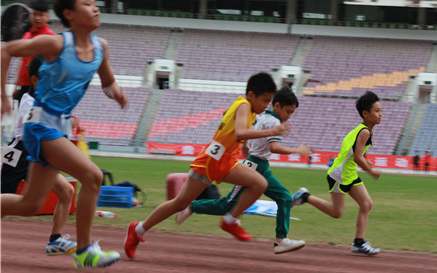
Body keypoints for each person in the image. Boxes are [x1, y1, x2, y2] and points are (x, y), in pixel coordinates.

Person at [1, 0, 129, 269]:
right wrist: (3, 96)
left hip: (59, 126)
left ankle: (80, 248)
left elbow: (107, 82)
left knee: (30, 204)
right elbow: (6, 50)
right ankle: (84, 250)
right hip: (40, 124)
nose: (95, 10)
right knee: (93, 177)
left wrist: (116, 92)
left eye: (96, 5)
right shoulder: (55, 43)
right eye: (87, 4)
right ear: (69, 14)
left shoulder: (101, 47)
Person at [124, 72, 290, 259]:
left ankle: (230, 220)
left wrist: (242, 145)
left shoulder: (247, 108)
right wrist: (272, 131)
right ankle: (138, 229)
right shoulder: (244, 105)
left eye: (269, 101)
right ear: (251, 95)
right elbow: (240, 132)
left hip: (226, 160)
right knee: (180, 203)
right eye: (265, 100)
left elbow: (231, 122)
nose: (267, 105)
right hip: (211, 161)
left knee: (259, 183)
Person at [175, 87, 310, 254]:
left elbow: (239, 124)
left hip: (259, 165)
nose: (289, 116)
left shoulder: (262, 116)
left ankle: (281, 240)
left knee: (283, 198)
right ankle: (194, 206)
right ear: (277, 106)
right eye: (288, 111)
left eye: (292, 113)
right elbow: (273, 147)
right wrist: (296, 150)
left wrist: (246, 144)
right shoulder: (273, 122)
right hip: (256, 165)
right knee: (229, 205)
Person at [1, 55, 77, 256]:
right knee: (3, 201)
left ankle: (55, 240)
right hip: (18, 153)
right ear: (35, 80)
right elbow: (31, 127)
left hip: (39, 154)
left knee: (67, 192)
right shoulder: (29, 100)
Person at [292, 91, 382, 256]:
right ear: (365, 114)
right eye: (376, 111)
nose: (380, 114)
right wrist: (371, 171)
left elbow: (354, 152)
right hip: (339, 175)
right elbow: (356, 156)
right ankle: (305, 197)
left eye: (380, 110)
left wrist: (365, 160)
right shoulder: (364, 132)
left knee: (366, 204)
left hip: (348, 173)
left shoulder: (362, 130)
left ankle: (359, 243)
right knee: (336, 212)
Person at [12, 0, 56, 102]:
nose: (37, 18)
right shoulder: (27, 35)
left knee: (34, 116)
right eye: (34, 14)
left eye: (41, 15)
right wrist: (16, 84)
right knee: (23, 115)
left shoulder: (50, 37)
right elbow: (21, 62)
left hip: (39, 87)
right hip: (24, 86)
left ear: (47, 17)